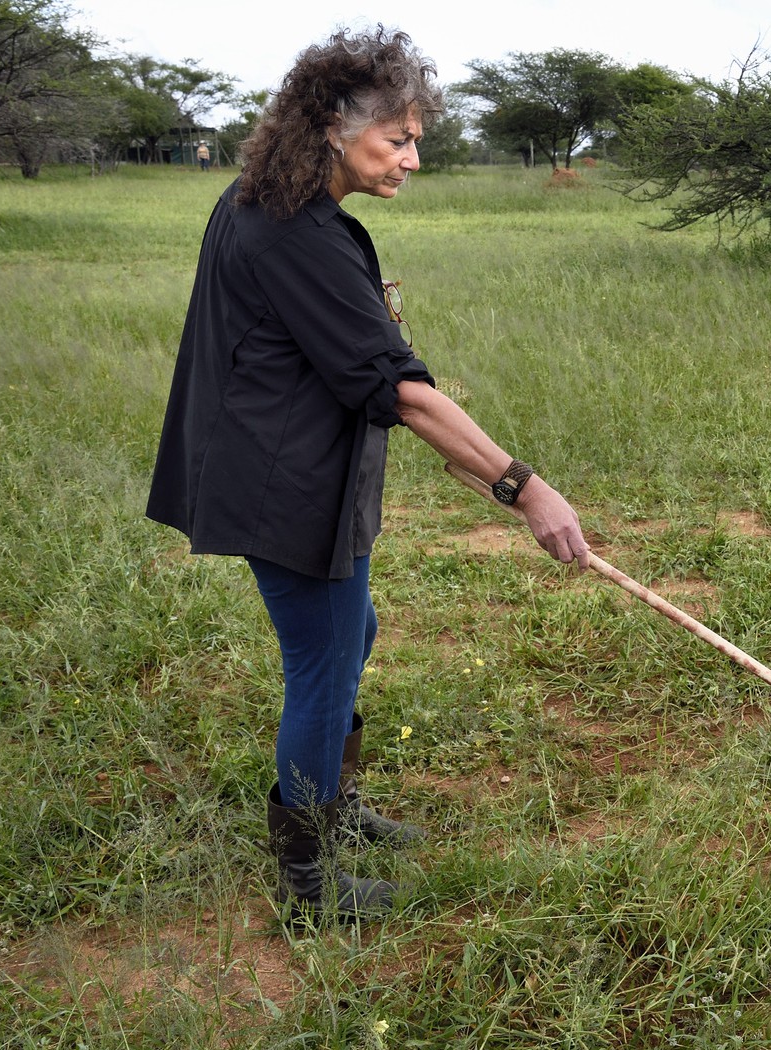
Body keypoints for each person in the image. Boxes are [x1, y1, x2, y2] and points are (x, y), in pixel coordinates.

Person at [146, 27, 590, 925]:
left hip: (295, 465)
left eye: (415, 138)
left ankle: (334, 808)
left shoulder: (261, 202)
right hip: (284, 484)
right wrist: (525, 489)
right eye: (397, 139)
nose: (413, 159)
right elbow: (405, 394)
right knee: (324, 661)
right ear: (328, 132)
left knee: (354, 635)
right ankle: (309, 882)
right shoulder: (291, 234)